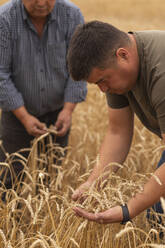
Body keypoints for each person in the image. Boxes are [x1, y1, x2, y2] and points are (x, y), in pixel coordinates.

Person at [67, 20, 165, 227]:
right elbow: (118, 132)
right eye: (97, 84)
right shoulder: (120, 75)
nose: (103, 89)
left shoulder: (161, 73)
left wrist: (128, 210)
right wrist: (94, 182)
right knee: (159, 217)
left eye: (103, 80)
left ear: (123, 55)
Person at [0, 0, 87, 193]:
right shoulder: (4, 19)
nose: (41, 3)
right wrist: (24, 116)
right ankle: (9, 221)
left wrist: (68, 110)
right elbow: (1, 75)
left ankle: (43, 222)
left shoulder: (72, 15)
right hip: (16, 114)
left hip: (58, 114)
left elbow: (80, 68)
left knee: (49, 178)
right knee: (9, 178)